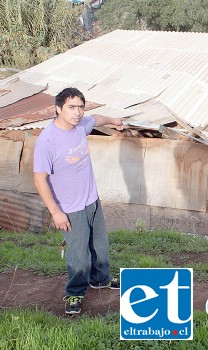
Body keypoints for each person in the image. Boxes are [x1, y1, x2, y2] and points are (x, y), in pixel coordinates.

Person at [33, 87, 124, 315]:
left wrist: (113, 120)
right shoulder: (48, 140)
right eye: (71, 107)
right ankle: (74, 293)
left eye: (80, 107)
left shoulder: (81, 125)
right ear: (58, 109)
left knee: (100, 247)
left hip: (91, 200)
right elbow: (39, 180)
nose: (77, 112)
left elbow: (97, 118)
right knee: (79, 256)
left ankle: (101, 279)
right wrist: (55, 212)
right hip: (69, 208)